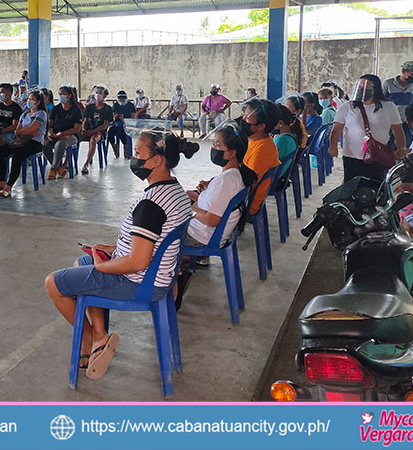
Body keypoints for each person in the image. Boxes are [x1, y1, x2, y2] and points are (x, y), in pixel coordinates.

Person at [45, 132, 197, 379]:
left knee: (53, 283)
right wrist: (114, 250)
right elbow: (152, 243)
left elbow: (137, 261)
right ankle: (100, 336)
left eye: (138, 153)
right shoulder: (175, 191)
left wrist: (102, 267)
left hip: (138, 282)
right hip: (160, 277)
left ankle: (90, 339)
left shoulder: (151, 204)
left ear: (157, 160)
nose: (133, 158)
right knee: (81, 262)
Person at [179, 124, 258, 306]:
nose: (213, 148)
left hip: (202, 235)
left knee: (156, 234)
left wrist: (190, 205)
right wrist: (202, 196)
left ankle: (176, 278)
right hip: (207, 232)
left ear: (231, 153)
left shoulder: (226, 181)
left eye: (217, 145)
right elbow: (218, 204)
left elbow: (212, 219)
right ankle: (182, 266)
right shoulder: (233, 176)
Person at [329, 74, 405, 183]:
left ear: (376, 89)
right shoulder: (348, 107)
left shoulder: (388, 106)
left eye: (366, 86)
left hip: (378, 156)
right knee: (352, 188)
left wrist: (401, 148)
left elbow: (397, 129)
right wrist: (333, 147)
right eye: (359, 86)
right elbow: (337, 128)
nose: (362, 89)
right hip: (352, 156)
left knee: (376, 187)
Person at [0, 90, 48, 197]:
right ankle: (2, 181)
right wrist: (28, 132)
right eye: (29, 99)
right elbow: (18, 131)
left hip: (35, 143)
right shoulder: (25, 114)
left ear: (38, 102)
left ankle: (9, 186)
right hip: (21, 140)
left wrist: (27, 131)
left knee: (18, 156)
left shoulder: (41, 114)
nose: (29, 101)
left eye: (32, 99)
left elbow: (32, 128)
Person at [240, 98, 281, 214]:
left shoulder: (262, 150)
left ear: (260, 126)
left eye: (246, 117)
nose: (242, 120)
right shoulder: (253, 142)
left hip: (243, 204)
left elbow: (247, 187)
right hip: (238, 194)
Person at [45, 85, 83, 179]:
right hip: (56, 135)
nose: (61, 96)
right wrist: (50, 133)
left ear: (69, 95)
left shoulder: (76, 110)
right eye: (60, 94)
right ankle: (60, 169)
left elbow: (76, 129)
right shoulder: (55, 109)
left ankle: (53, 169)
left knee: (60, 144)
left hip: (70, 136)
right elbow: (49, 125)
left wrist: (63, 133)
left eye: (63, 94)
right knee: (45, 145)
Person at [382, 60, 413, 145]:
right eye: (412, 75)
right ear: (403, 71)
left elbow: (412, 100)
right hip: (390, 121)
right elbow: (381, 102)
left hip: (406, 121)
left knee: (405, 145)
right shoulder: (388, 84)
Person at [79, 85, 113, 174]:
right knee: (74, 138)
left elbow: (104, 125)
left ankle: (86, 165)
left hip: (99, 132)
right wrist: (83, 129)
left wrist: (91, 132)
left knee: (93, 139)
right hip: (88, 130)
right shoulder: (89, 107)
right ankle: (66, 162)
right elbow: (85, 121)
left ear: (105, 95)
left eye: (100, 93)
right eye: (96, 93)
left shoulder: (108, 109)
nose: (98, 95)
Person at [0, 83, 22, 163]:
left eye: (2, 92)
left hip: (8, 133)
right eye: (0, 92)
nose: (0, 95)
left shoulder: (16, 108)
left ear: (9, 93)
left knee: (0, 139)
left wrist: (0, 132)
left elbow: (14, 126)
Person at [273, 104, 303, 178]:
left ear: (280, 123)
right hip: (280, 176)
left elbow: (271, 163)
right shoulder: (291, 136)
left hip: (273, 179)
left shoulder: (281, 140)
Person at [108, 90, 135, 158]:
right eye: (120, 98)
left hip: (128, 124)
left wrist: (124, 119)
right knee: (110, 131)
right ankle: (114, 146)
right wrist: (115, 116)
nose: (121, 99)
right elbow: (112, 117)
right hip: (117, 123)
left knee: (121, 129)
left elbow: (133, 117)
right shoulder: (116, 105)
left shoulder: (130, 105)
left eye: (123, 98)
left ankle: (126, 147)